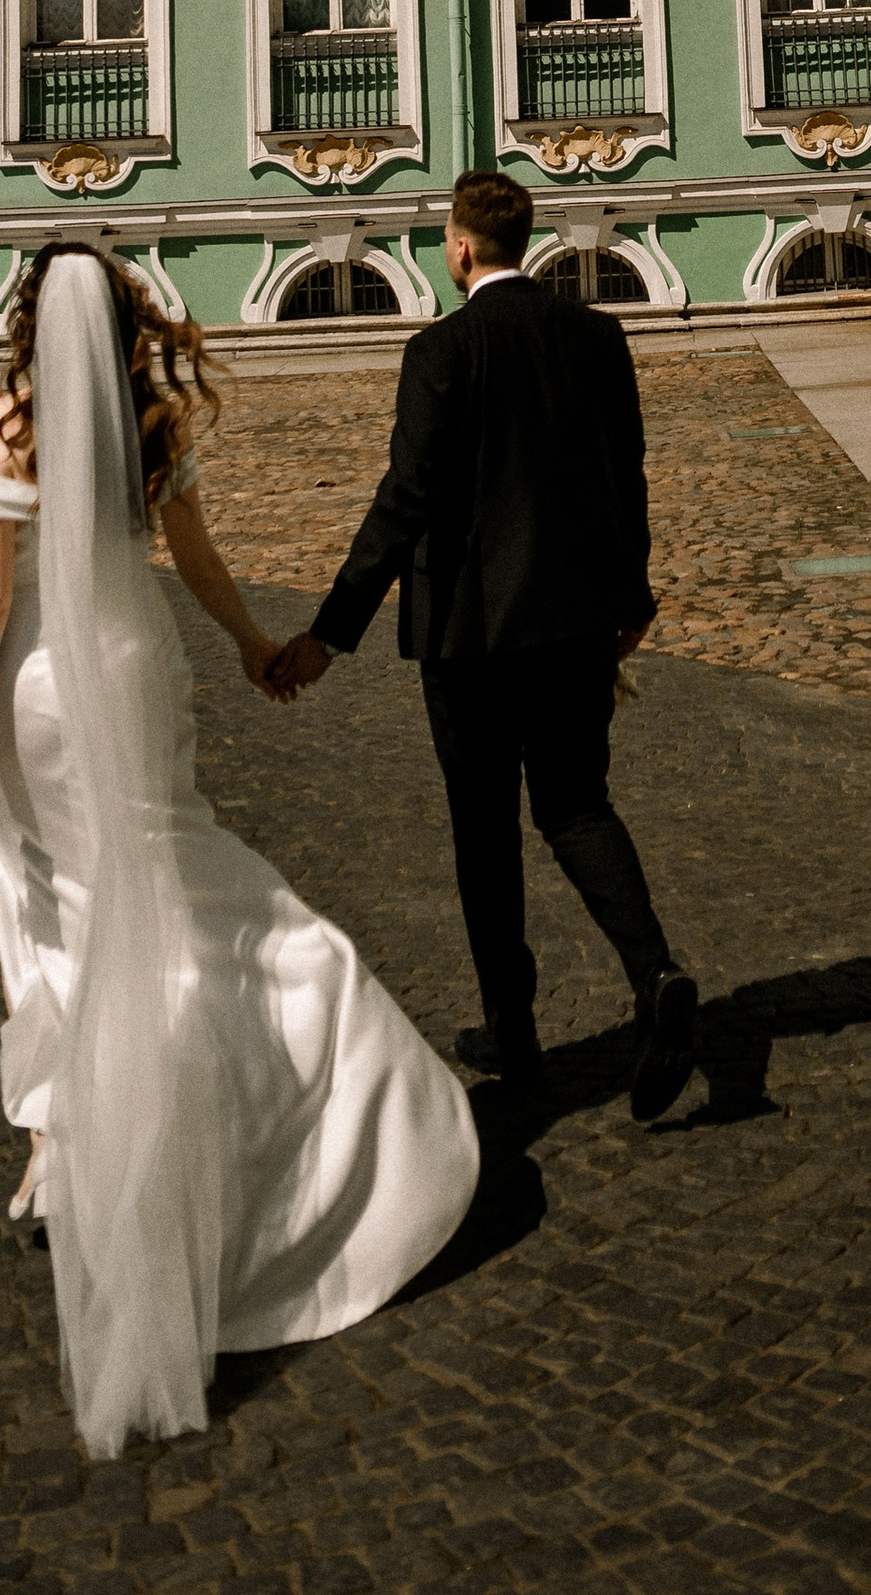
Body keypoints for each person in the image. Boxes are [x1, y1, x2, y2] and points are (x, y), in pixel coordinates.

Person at [0, 242, 479, 1460]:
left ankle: (65, 1140)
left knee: (53, 900)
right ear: (129, 318)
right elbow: (197, 560)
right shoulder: (158, 421)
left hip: (36, 697)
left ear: (26, 321)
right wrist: (249, 642)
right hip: (134, 673)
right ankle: (273, 1056)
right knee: (177, 875)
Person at [264, 168, 695, 1120]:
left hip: (474, 633)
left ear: (459, 248)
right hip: (582, 618)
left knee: (485, 830)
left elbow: (406, 499)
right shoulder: (596, 333)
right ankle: (655, 971)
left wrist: (333, 632)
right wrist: (634, 589)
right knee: (578, 804)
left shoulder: (441, 351)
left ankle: (513, 1025)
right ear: (527, 238)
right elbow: (626, 469)